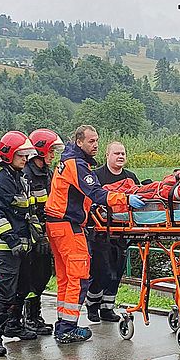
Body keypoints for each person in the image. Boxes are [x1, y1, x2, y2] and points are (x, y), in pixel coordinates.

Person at [44, 125, 145, 343]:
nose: (96, 145)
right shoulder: (76, 165)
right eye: (91, 141)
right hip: (68, 226)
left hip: (58, 225)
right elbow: (96, 193)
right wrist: (125, 199)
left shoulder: (68, 162)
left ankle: (63, 324)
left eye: (97, 140)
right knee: (79, 278)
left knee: (65, 278)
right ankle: (67, 328)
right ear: (79, 142)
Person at [0, 131, 39, 357]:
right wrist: (12, 240)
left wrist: (39, 237)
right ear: (8, 155)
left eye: (26, 155)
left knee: (24, 287)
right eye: (21, 155)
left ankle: (12, 325)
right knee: (6, 291)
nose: (25, 159)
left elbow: (27, 211)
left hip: (22, 243)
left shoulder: (19, 178)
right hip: (6, 246)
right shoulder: (2, 182)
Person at [87, 141, 140, 323]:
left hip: (122, 232)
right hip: (101, 232)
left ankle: (107, 308)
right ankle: (92, 306)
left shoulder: (131, 177)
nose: (120, 156)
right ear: (107, 156)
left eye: (123, 153)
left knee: (116, 273)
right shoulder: (97, 176)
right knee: (102, 271)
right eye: (116, 153)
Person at [22, 128, 64, 336]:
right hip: (33, 234)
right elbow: (30, 210)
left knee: (43, 274)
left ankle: (34, 315)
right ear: (40, 150)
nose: (53, 155)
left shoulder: (46, 172)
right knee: (32, 276)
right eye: (50, 151)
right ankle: (29, 316)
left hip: (47, 231)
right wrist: (39, 236)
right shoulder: (28, 174)